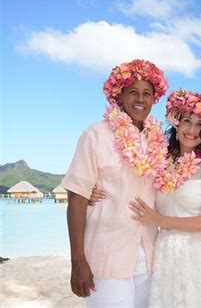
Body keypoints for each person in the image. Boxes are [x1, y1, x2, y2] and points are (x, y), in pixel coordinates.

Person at [62, 59, 168, 307]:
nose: (140, 99)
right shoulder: (95, 135)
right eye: (133, 92)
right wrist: (77, 261)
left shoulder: (159, 140)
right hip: (106, 256)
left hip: (149, 256)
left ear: (154, 99)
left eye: (147, 93)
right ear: (120, 96)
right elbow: (76, 197)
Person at [127, 89, 201, 307]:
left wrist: (158, 220)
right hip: (165, 253)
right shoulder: (160, 165)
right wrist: (95, 193)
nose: (192, 130)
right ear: (176, 127)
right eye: (187, 121)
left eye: (200, 125)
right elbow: (128, 183)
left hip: (199, 254)